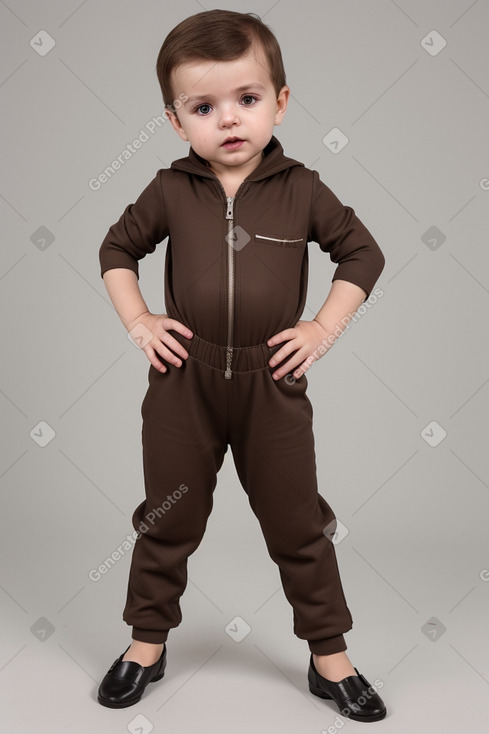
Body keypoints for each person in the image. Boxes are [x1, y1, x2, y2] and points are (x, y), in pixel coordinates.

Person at [96, 8, 387, 722]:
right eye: (204, 106)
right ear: (176, 121)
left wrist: (321, 325)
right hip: (182, 385)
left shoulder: (303, 187)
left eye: (246, 99)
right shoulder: (170, 188)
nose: (228, 120)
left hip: (271, 388)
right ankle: (145, 645)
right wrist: (139, 319)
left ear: (279, 101)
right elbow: (115, 251)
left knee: (296, 523)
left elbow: (362, 254)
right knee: (167, 519)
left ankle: (330, 657)